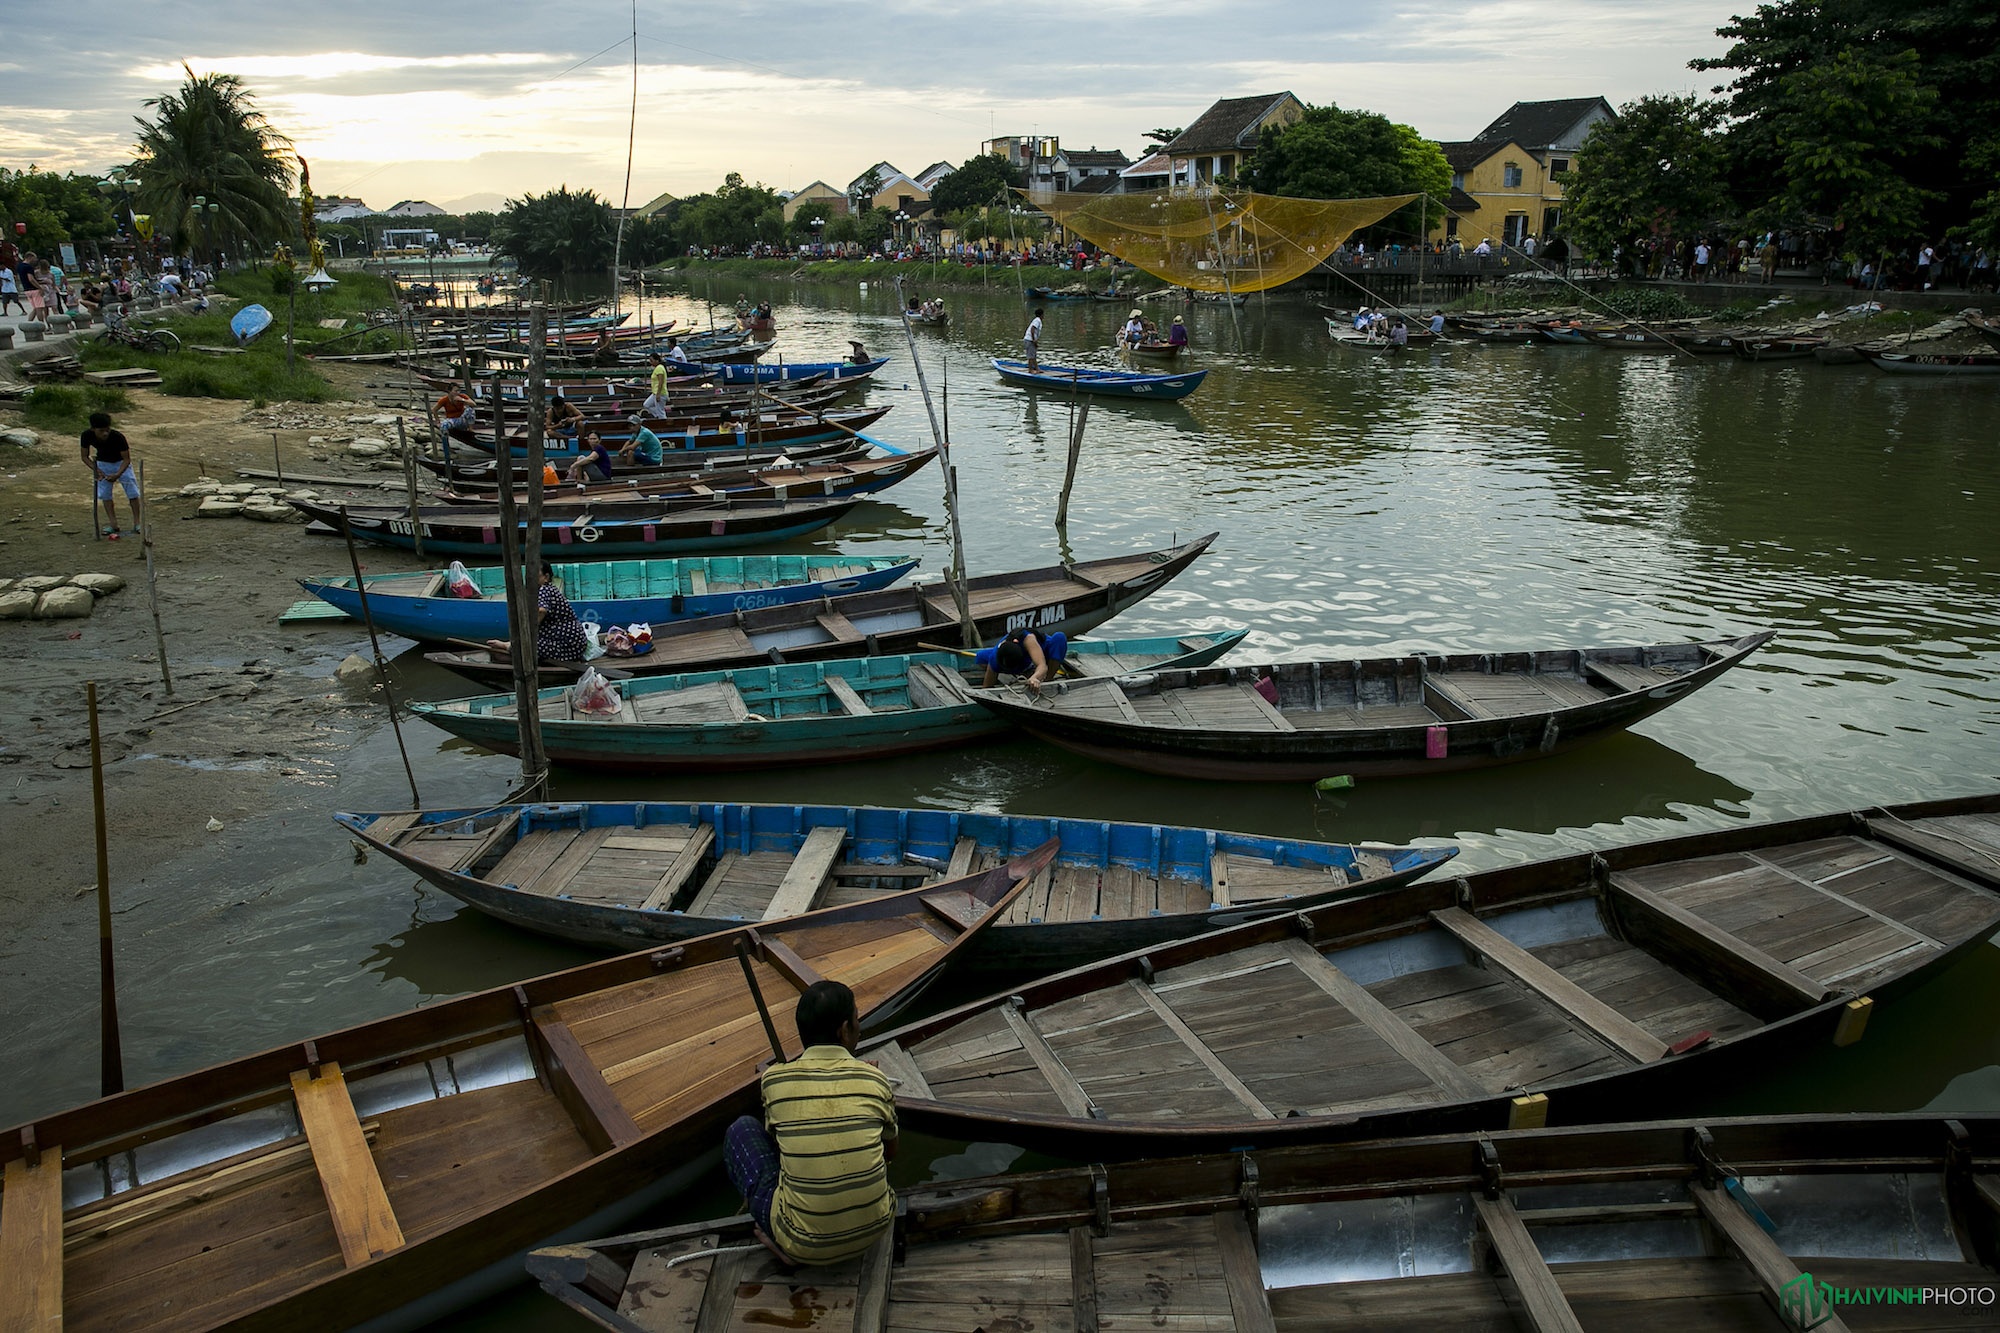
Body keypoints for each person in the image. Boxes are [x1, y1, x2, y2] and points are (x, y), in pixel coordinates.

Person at [724, 980, 897, 1266]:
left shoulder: (774, 1079)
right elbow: (891, 1153)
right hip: (875, 1230)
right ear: (844, 1030)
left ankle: (788, 1249)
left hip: (803, 1245)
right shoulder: (874, 1079)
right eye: (856, 1019)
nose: (859, 1026)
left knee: (742, 1129)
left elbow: (778, 1148)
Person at [483, 566, 591, 663]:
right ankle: (510, 645)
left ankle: (509, 647)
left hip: (569, 645)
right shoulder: (551, 589)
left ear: (546, 577)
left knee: (530, 646)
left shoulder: (544, 589)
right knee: (530, 641)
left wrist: (528, 631)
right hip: (575, 642)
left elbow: (541, 611)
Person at [80, 412, 141, 538]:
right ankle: (113, 524)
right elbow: (84, 457)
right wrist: (96, 470)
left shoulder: (118, 437)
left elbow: (126, 459)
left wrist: (118, 474)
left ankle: (137, 523)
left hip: (120, 464)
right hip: (102, 464)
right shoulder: (86, 435)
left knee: (133, 493)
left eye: (107, 430)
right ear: (93, 429)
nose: (105, 433)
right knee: (105, 495)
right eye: (101, 431)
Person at [977, 628, 1068, 695]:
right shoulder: (994, 658)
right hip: (1017, 661)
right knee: (980, 657)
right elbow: (986, 689)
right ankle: (1026, 670)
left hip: (1040, 652)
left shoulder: (1028, 639)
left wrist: (1035, 678)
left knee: (1059, 637)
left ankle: (1048, 679)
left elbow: (1042, 666)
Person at [1023, 306, 1043, 372]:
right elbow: (1032, 328)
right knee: (1031, 356)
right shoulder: (1037, 320)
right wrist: (1034, 339)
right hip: (1029, 340)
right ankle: (1030, 369)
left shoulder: (1037, 320)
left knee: (1033, 355)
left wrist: (1035, 341)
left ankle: (1037, 369)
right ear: (1042, 315)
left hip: (1030, 339)